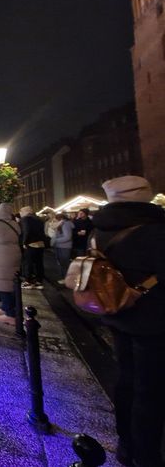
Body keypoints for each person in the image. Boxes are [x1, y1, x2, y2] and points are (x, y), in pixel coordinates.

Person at [92, 176, 165, 467]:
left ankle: (126, 441)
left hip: (116, 312)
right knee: (151, 388)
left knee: (126, 379)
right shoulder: (155, 231)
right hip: (153, 319)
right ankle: (147, 454)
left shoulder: (101, 229)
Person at [19, 206, 47, 289]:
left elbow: (26, 231)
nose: (20, 214)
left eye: (21, 212)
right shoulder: (38, 219)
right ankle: (39, 282)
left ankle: (28, 282)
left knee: (28, 263)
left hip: (30, 244)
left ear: (24, 212)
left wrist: (24, 242)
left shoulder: (25, 219)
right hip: (40, 244)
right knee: (39, 263)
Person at [50, 213, 74, 282]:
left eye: (56, 219)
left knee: (64, 263)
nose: (54, 221)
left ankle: (67, 279)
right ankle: (65, 278)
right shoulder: (61, 224)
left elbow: (67, 237)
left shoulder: (65, 224)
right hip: (60, 246)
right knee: (62, 263)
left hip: (64, 247)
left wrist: (56, 240)